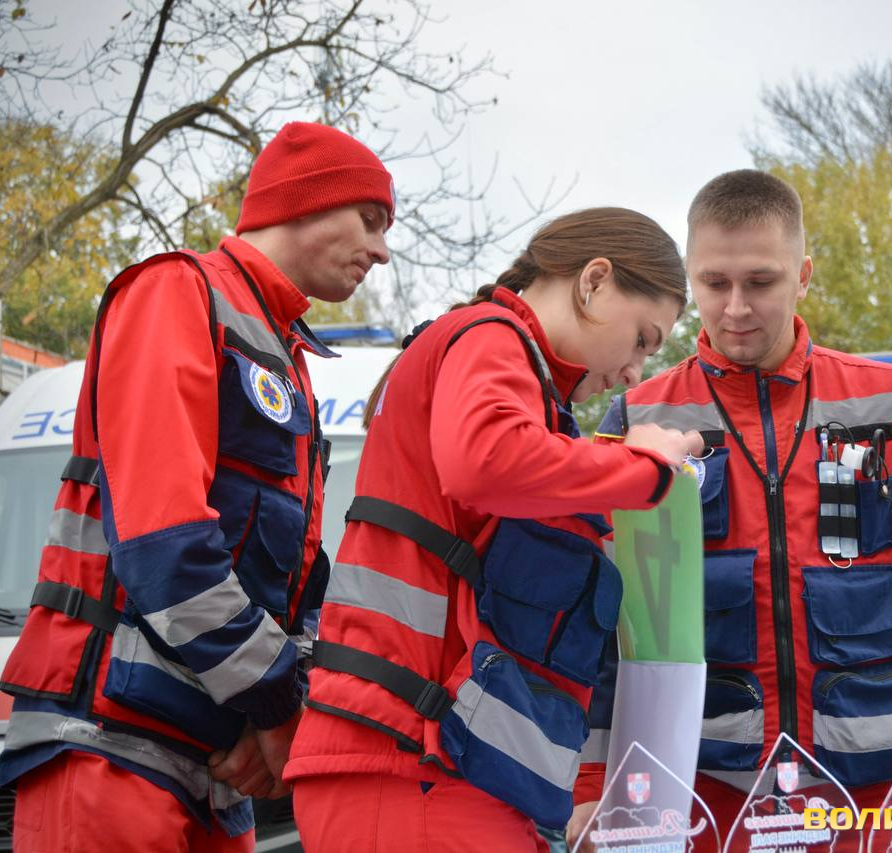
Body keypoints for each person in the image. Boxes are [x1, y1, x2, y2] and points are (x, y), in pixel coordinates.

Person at [0, 121, 395, 851]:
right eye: (370, 219)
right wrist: (276, 704)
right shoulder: (175, 291)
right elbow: (164, 541)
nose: (381, 249)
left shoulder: (282, 350)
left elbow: (291, 576)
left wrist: (275, 707)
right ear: (306, 201)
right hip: (108, 752)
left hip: (211, 768)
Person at [570, 171, 892, 849]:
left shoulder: (888, 401)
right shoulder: (636, 419)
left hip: (871, 794)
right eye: (714, 283)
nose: (736, 306)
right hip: (701, 797)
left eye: (761, 281)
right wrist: (594, 781)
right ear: (690, 281)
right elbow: (603, 622)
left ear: (803, 276)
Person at [283, 207, 705, 852]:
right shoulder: (489, 336)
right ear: (594, 281)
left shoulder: (520, 382)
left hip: (442, 764)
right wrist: (641, 468)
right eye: (643, 340)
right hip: (410, 764)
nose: (635, 372)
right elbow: (485, 460)